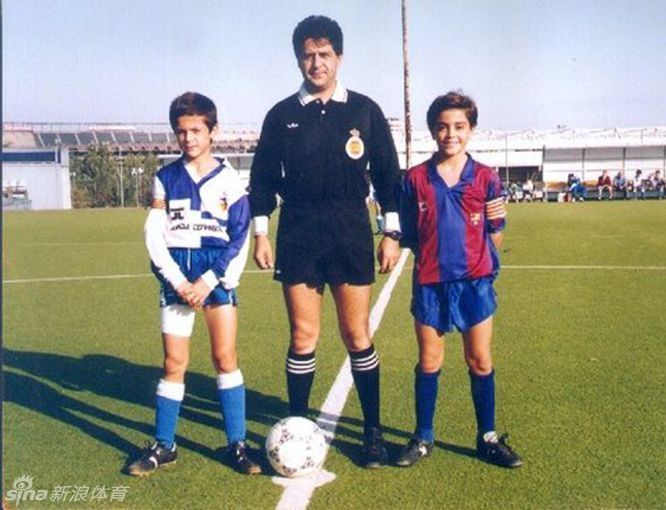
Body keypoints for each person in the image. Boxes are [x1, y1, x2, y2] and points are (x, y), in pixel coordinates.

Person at [249, 15, 401, 468]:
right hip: (298, 230)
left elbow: (388, 176)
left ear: (339, 57)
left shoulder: (364, 110)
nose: (316, 63)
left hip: (349, 228)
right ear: (298, 59)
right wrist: (261, 232)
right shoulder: (281, 115)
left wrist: (391, 233)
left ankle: (372, 432)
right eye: (308, 55)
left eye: (324, 54)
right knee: (303, 335)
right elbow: (262, 178)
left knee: (357, 334)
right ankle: (298, 426)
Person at [126, 92, 261, 477]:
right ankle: (165, 445)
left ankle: (236, 443)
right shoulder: (165, 178)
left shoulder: (230, 180)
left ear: (213, 131)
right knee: (174, 362)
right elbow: (154, 235)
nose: (188, 138)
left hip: (214, 276)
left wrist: (207, 281)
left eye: (196, 130)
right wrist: (178, 281)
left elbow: (239, 237)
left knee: (224, 358)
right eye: (181, 131)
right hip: (177, 277)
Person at [397, 91, 523, 469]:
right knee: (429, 359)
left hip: (474, 284)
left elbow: (496, 231)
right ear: (433, 130)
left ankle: (487, 437)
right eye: (442, 127)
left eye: (459, 126)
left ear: (471, 129)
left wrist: (477, 264)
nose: (450, 134)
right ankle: (423, 437)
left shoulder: (486, 178)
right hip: (431, 283)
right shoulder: (415, 178)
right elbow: (409, 232)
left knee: (479, 359)